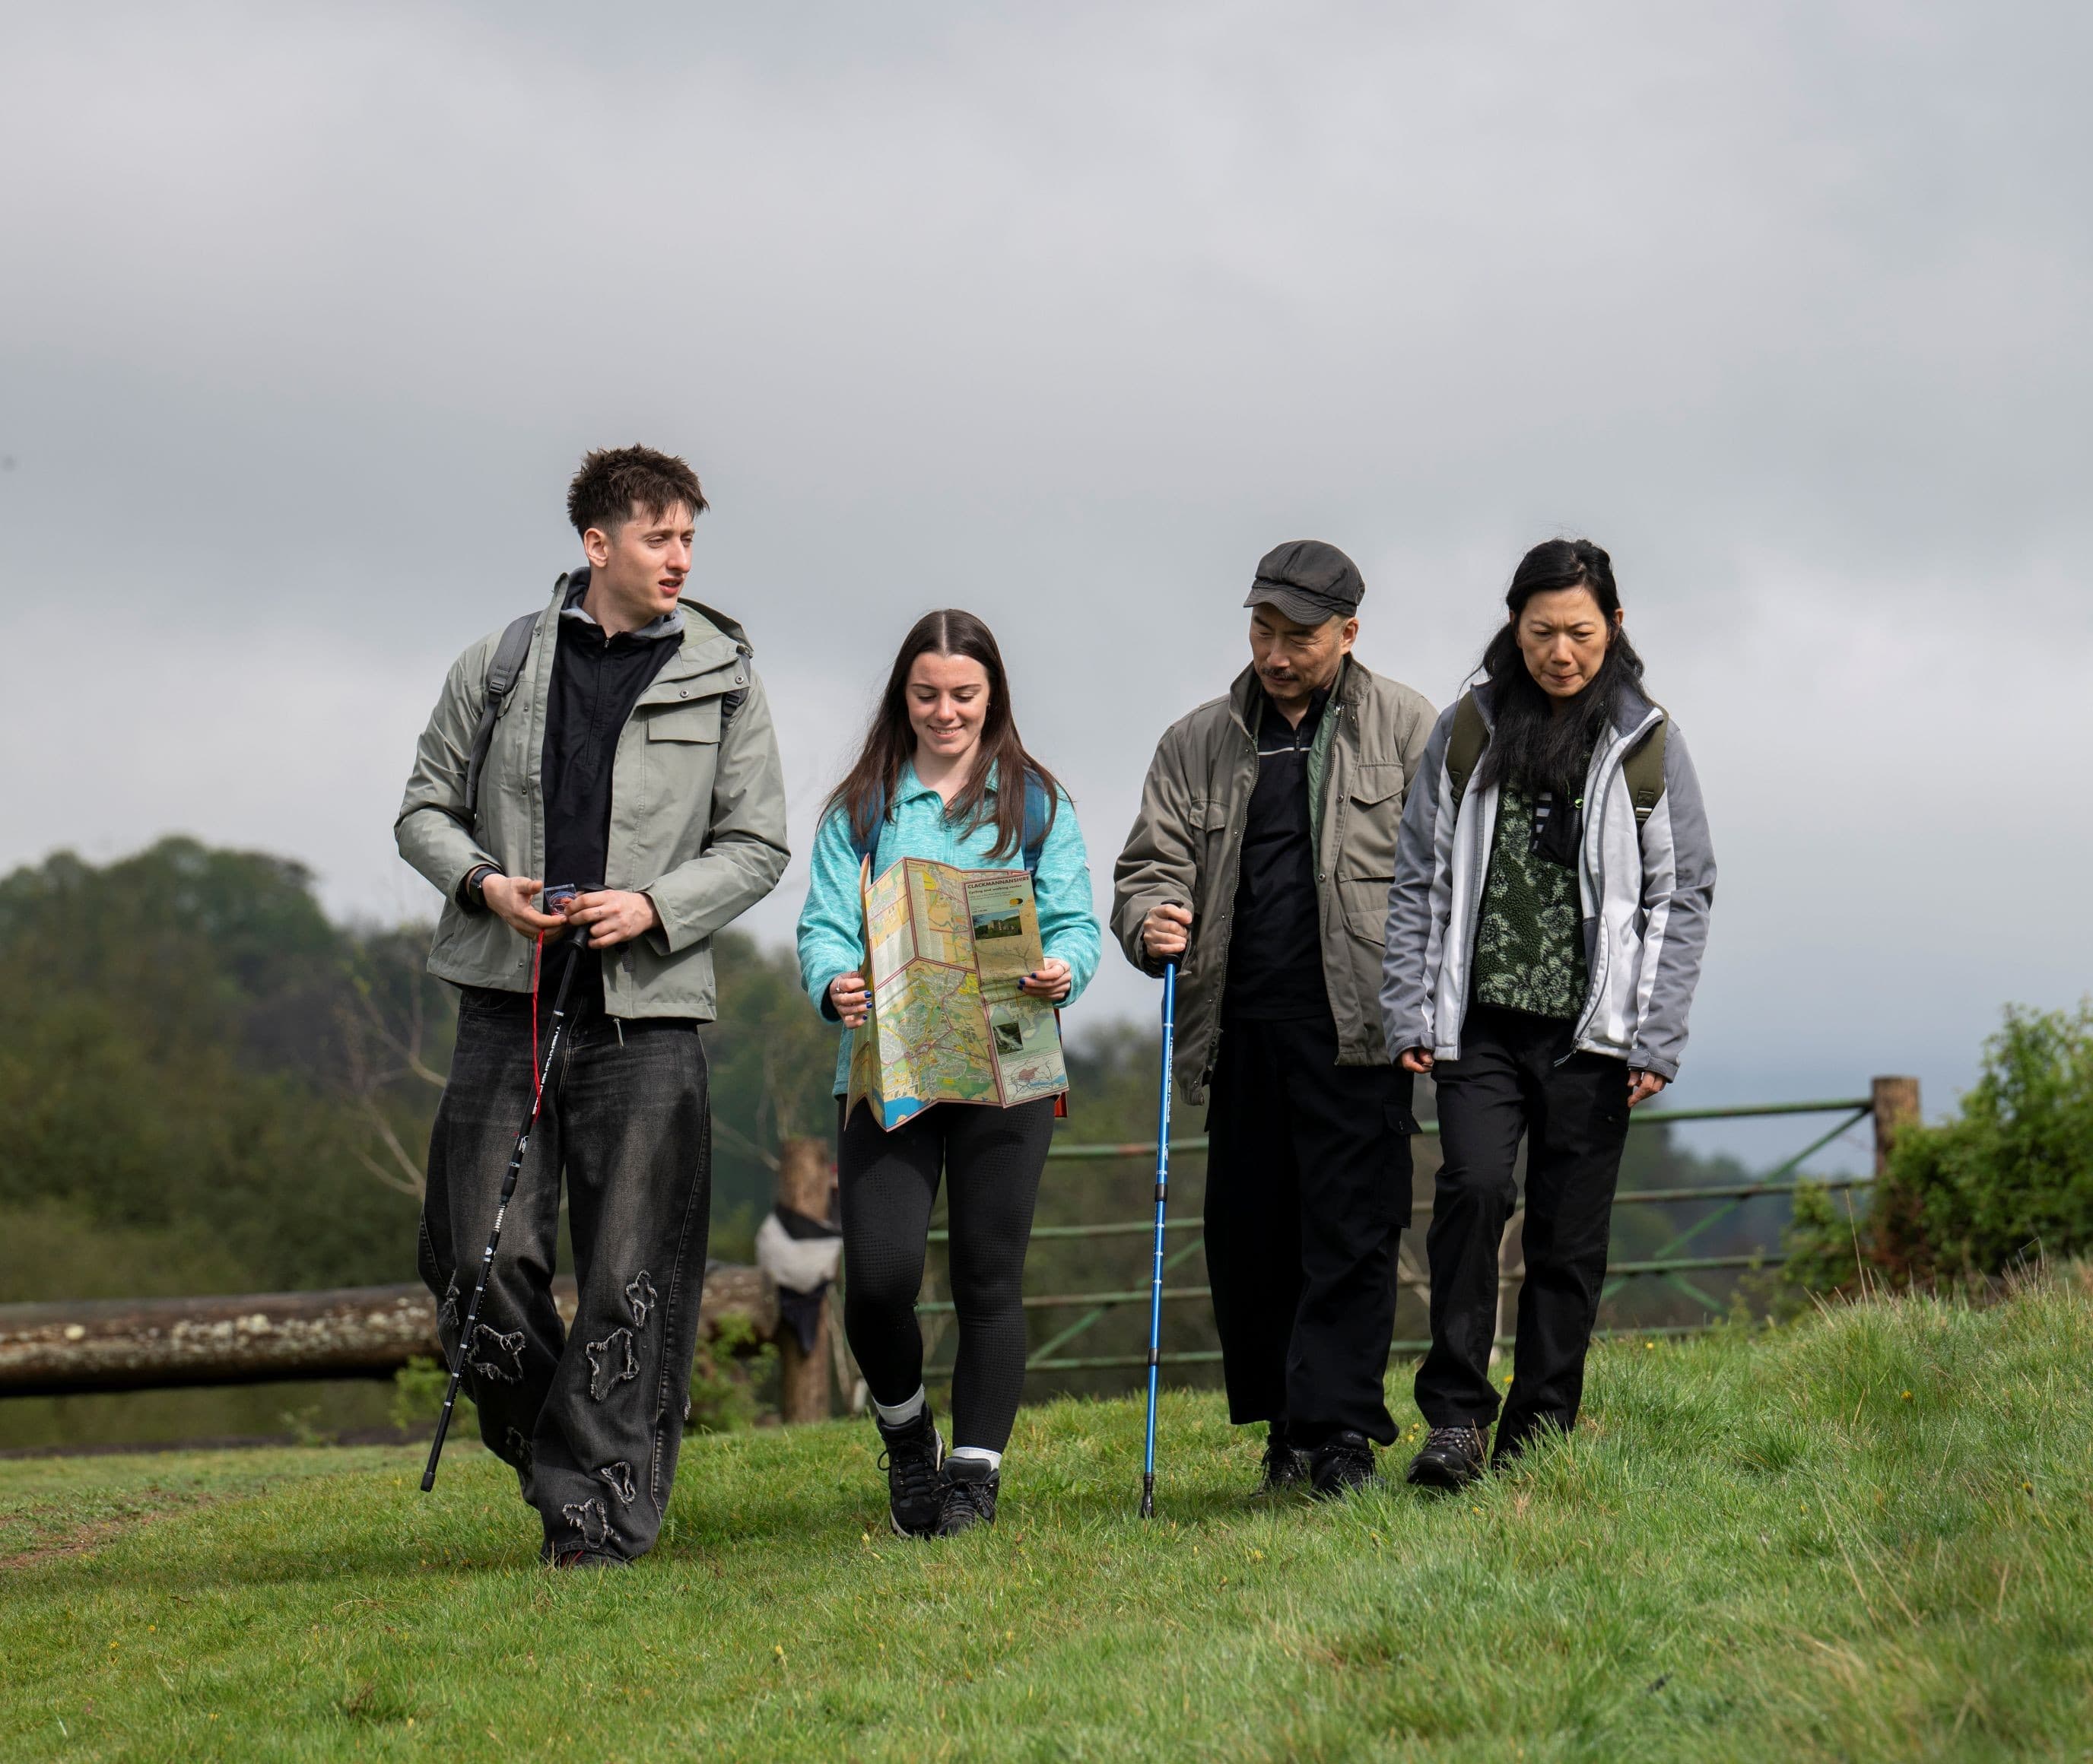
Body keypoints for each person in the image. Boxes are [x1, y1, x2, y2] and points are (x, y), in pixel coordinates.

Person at [395, 445, 789, 1566]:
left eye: (690, 539)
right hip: (501, 1001)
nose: (680, 558)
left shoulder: (725, 675)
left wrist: (655, 907)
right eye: (660, 537)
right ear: (597, 544)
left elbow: (759, 844)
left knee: (634, 1279)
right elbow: (423, 812)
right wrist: (486, 887)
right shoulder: (501, 663)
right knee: (471, 1260)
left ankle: (598, 1523)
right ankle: (567, 1455)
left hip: (650, 1016)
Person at [1382, 538, 1715, 1490]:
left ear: (1613, 626)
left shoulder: (1645, 739)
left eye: (1578, 631)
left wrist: (1656, 1031)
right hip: (1478, 1021)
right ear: (1513, 627)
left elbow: (1681, 894)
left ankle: (1541, 1424)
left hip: (1593, 1036)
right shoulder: (1468, 729)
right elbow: (1419, 877)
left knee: (1569, 1234)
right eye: (1540, 631)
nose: (1559, 651)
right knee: (1473, 1192)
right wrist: (1409, 1005)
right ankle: (1453, 1419)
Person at [1113, 541, 1437, 1499]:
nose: (1276, 653)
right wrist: (1150, 918)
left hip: (1360, 1029)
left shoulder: (1412, 728)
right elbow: (1148, 867)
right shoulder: (1194, 740)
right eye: (1262, 631)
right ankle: (1284, 1431)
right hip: (1238, 1028)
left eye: (1298, 636)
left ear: (1348, 634)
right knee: (1251, 1240)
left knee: (1351, 1233)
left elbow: (1445, 877)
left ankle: (1340, 1434)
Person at [796, 610, 1099, 1537]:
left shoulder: (1036, 801)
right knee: (880, 1280)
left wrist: (1066, 970)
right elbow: (821, 927)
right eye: (926, 693)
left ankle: (971, 1478)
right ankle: (904, 1432)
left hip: (1009, 1063)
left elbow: (1077, 922)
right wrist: (832, 982)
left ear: (992, 695)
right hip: (888, 1067)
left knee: (987, 1277)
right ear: (903, 696)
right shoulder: (864, 805)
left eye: (963, 694)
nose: (945, 711)